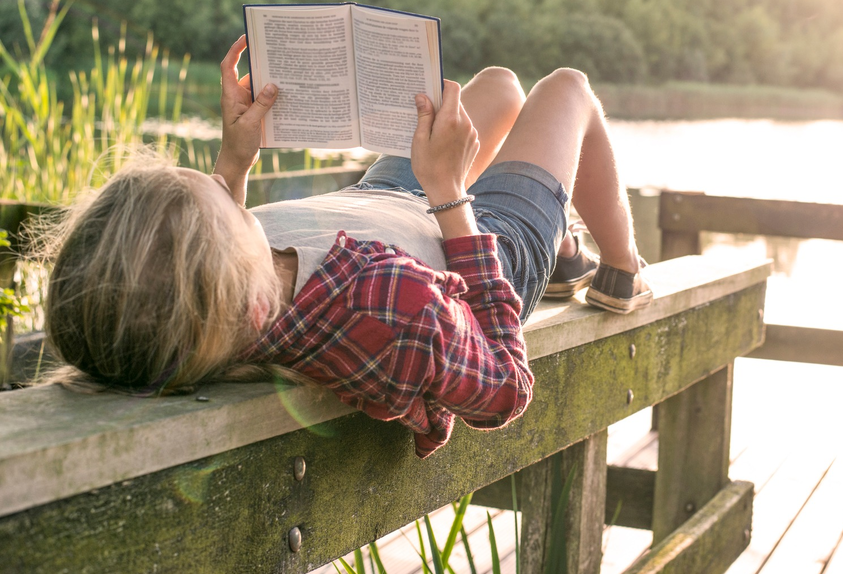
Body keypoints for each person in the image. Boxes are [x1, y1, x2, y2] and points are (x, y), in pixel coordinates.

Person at [42, 36, 651, 457]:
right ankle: (619, 268)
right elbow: (505, 387)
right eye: (225, 201)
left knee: (494, 88)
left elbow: (212, 258)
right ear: (250, 296)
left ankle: (565, 242)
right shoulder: (387, 307)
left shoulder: (220, 300)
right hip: (470, 236)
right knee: (567, 88)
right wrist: (446, 191)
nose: (226, 191)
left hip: (379, 203)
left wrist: (236, 159)